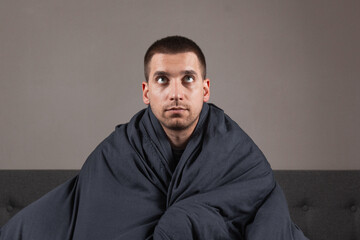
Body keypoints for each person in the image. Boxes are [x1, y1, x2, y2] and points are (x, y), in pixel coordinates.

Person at [0, 36, 308, 239]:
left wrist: (188, 221)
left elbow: (263, 198)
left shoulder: (234, 146)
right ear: (147, 92)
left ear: (205, 89)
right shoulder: (118, 152)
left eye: (188, 79)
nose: (176, 94)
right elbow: (97, 223)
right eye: (163, 80)